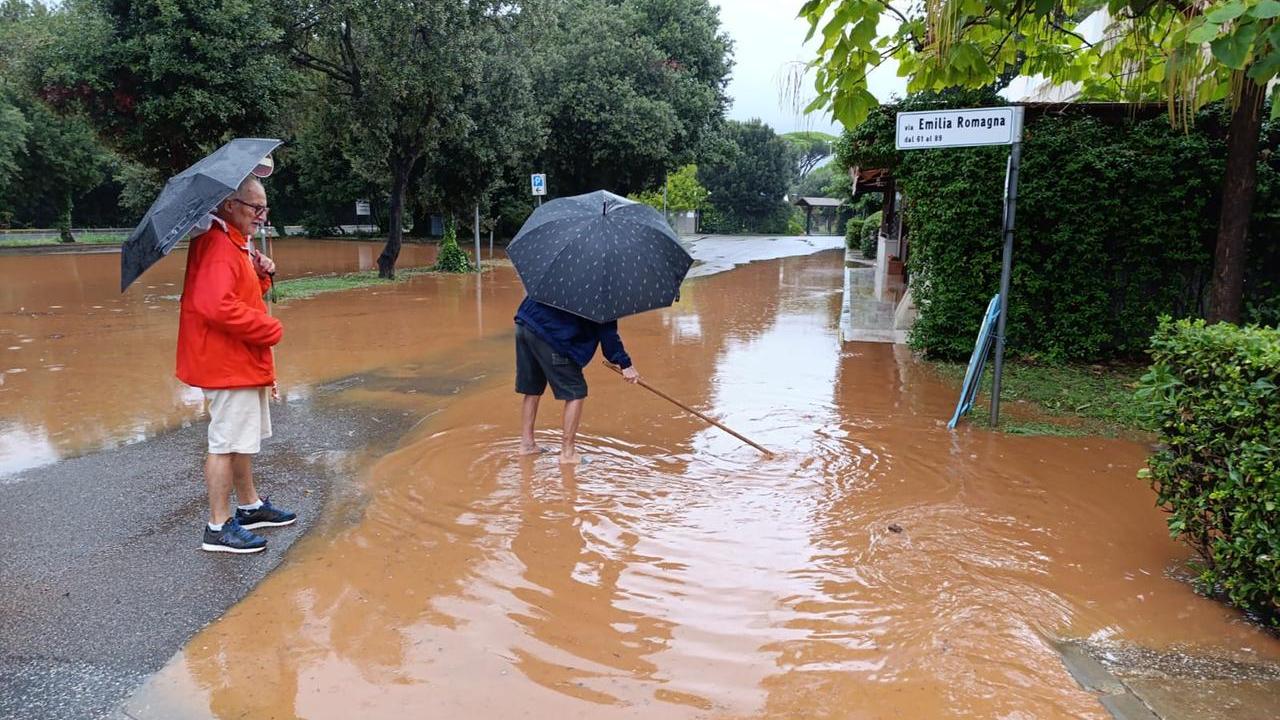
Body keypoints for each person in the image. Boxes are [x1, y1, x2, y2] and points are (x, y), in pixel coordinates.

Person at [177, 176, 296, 554]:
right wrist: (268, 329)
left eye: (264, 208)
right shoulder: (217, 244)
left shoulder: (234, 243)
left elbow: (240, 295)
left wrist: (260, 274)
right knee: (225, 444)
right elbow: (214, 306)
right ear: (229, 206)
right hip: (226, 364)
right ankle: (217, 527)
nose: (261, 216)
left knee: (241, 440)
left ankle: (249, 507)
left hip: (239, 361)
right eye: (255, 208)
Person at [514, 297, 640, 464]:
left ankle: (527, 444)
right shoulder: (604, 293)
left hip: (526, 321)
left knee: (532, 388)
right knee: (575, 392)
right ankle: (568, 454)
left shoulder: (561, 278)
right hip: (553, 335)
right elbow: (607, 334)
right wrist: (625, 364)